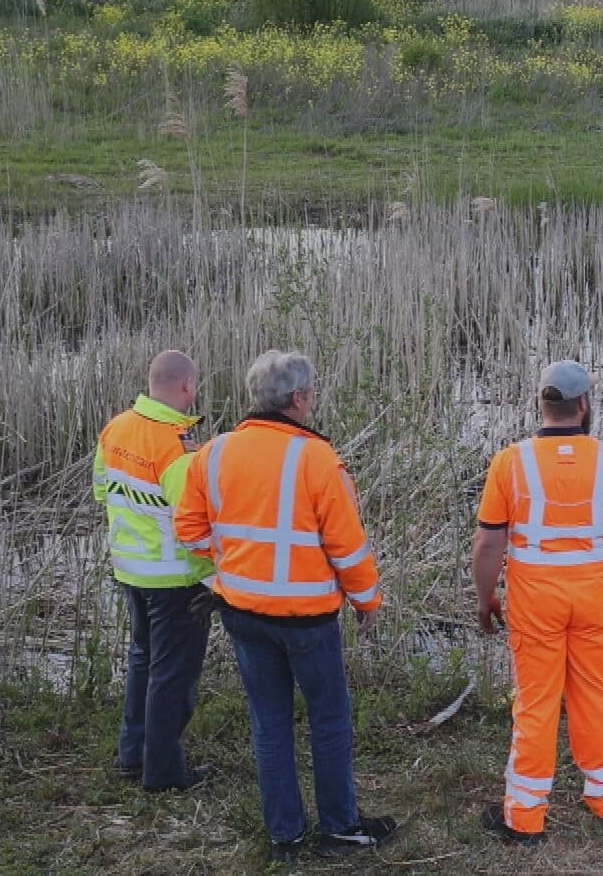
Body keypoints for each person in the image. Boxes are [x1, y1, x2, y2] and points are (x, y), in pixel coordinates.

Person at [173, 350, 399, 862]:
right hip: (309, 618)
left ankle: (285, 835)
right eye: (312, 391)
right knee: (329, 718)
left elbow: (188, 529)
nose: (313, 399)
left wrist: (230, 560)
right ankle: (340, 827)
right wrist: (368, 601)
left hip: (242, 613)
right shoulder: (317, 459)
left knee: (269, 720)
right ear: (297, 399)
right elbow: (348, 546)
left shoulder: (212, 453)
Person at [471, 360, 603, 844]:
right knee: (595, 692)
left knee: (536, 703)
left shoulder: (511, 461)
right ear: (585, 405)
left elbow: (489, 544)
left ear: (542, 403)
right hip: (594, 599)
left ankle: (527, 817)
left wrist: (486, 595)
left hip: (535, 603)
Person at [94, 350, 216, 792]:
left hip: (130, 569)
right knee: (173, 675)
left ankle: (134, 754)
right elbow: (193, 520)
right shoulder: (175, 444)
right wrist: (214, 576)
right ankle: (163, 772)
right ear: (186, 386)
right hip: (174, 578)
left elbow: (101, 492)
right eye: (196, 385)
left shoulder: (115, 428)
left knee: (143, 661)